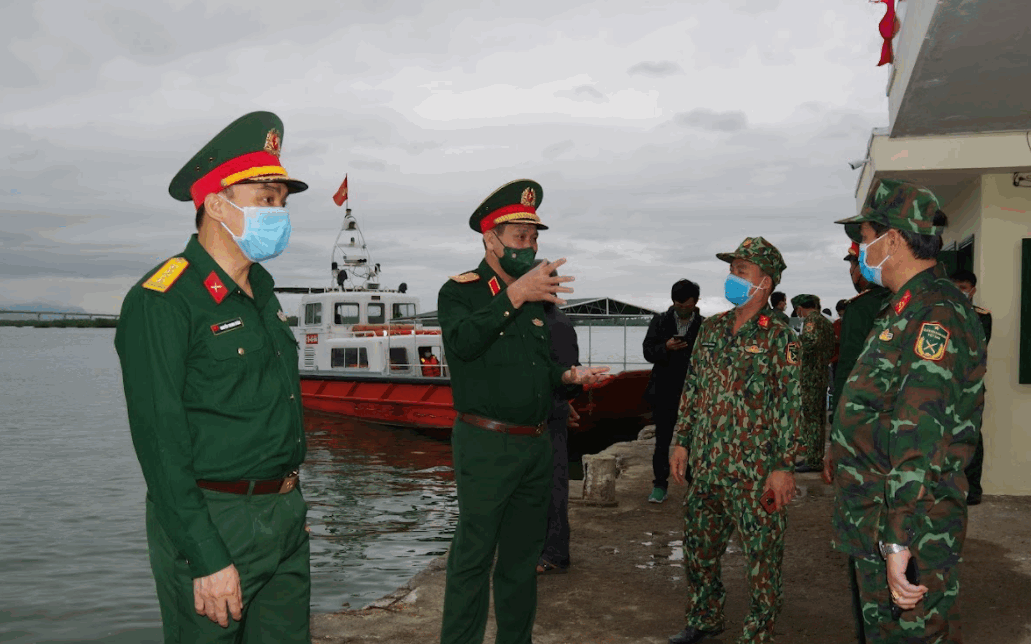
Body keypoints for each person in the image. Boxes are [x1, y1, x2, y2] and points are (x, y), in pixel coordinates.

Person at [114, 111, 311, 642]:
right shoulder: (163, 300)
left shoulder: (264, 292)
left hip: (284, 516)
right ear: (217, 204)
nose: (280, 213)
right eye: (266, 199)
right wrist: (205, 555)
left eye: (283, 202)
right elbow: (159, 443)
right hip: (215, 521)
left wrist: (289, 508)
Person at [436, 179, 609, 644]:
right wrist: (515, 296)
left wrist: (568, 378)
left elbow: (536, 370)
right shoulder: (460, 293)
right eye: (519, 236)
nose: (529, 246)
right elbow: (464, 343)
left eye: (534, 237)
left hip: (535, 444)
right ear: (490, 238)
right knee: (473, 557)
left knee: (520, 561)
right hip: (486, 443)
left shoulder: (537, 300)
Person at [831, 180, 986, 643]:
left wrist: (899, 538)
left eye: (864, 238)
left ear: (893, 238)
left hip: (910, 519)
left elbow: (921, 431)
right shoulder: (904, 308)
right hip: (879, 513)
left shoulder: (935, 313)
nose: (860, 249)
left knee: (913, 636)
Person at [668, 237, 802, 644]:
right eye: (731, 270)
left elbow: (791, 406)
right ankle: (705, 618)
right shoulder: (711, 328)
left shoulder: (781, 336)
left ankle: (758, 632)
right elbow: (693, 389)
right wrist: (681, 441)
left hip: (756, 472)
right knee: (698, 550)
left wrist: (783, 467)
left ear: (766, 281)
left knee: (762, 560)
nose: (733, 277)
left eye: (741, 271)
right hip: (708, 467)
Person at [642, 279, 704, 503]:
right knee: (662, 440)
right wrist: (665, 348)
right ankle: (660, 485)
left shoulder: (704, 325)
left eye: (686, 305)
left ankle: (694, 485)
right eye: (678, 304)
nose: (681, 308)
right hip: (664, 390)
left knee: (695, 441)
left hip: (694, 392)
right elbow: (648, 351)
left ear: (695, 302)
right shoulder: (660, 321)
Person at [537, 263, 581, 574]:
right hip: (541, 414)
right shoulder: (540, 320)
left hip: (549, 416)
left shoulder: (557, 325)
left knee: (553, 486)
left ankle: (553, 553)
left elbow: (570, 376)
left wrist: (563, 404)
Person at [950, 268, 992, 506]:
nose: (959, 292)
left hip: (971, 387)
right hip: (944, 386)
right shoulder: (941, 313)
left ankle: (973, 489)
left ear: (972, 291)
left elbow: (975, 347)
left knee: (972, 437)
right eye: (954, 287)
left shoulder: (982, 316)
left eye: (963, 288)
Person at [791, 294, 835, 474]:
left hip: (811, 375)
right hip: (820, 372)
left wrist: (793, 345)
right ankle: (812, 456)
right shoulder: (824, 321)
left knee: (812, 419)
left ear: (800, 308)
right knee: (816, 417)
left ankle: (814, 459)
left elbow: (808, 343)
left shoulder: (811, 321)